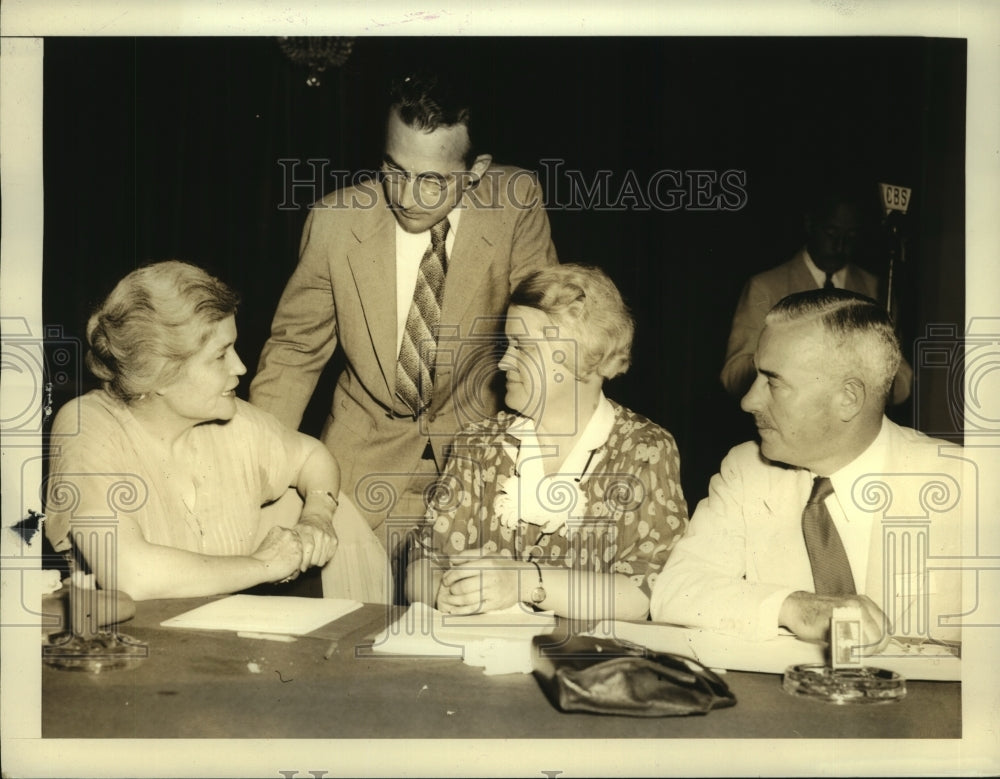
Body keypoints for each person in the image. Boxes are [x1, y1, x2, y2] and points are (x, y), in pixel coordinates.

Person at [249, 70, 558, 561]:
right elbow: (294, 353)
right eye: (395, 170)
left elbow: (547, 337)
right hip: (359, 466)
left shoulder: (514, 201)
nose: (408, 197)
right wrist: (251, 470)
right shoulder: (335, 223)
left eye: (433, 179)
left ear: (475, 171)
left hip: (481, 463)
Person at [44, 261, 387, 602]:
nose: (240, 367)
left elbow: (313, 456)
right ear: (161, 371)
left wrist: (317, 516)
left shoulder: (234, 423)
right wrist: (265, 565)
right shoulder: (87, 426)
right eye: (220, 356)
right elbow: (131, 575)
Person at [652, 289, 966, 652]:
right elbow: (675, 590)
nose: (749, 400)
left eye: (773, 382)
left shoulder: (965, 485)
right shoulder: (747, 469)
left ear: (848, 398)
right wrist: (796, 607)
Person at [406, 265, 688, 621]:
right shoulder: (477, 445)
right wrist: (442, 593)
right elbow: (421, 563)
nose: (505, 361)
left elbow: (645, 591)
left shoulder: (645, 450)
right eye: (508, 345)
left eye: (523, 347)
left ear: (587, 355)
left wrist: (523, 583)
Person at [720, 186, 913, 404]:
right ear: (810, 224)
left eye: (851, 236)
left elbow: (902, 378)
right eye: (831, 233)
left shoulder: (878, 289)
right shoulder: (765, 286)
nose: (840, 245)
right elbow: (733, 374)